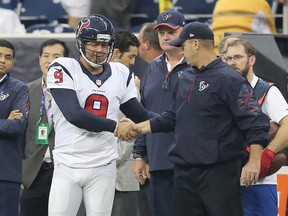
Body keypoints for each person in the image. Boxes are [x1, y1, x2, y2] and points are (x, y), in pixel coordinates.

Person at [119, 21, 271, 216]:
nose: (181, 50)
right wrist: (138, 128)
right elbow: (172, 116)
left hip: (218, 173)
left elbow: (256, 123)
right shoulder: (186, 77)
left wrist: (254, 161)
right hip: (184, 172)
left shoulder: (229, 78)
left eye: (183, 45)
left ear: (196, 44)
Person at [46, 14, 150, 216]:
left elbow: (138, 113)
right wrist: (116, 126)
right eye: (93, 44)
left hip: (104, 164)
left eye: (104, 45)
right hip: (68, 164)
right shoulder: (63, 67)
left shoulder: (121, 72)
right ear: (80, 42)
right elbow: (75, 115)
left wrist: (171, 121)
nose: (100, 50)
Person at [133, 9, 190, 216]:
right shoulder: (152, 68)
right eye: (161, 32)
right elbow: (143, 111)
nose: (165, 36)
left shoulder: (197, 66)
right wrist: (139, 154)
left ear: (183, 32)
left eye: (171, 32)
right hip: (157, 160)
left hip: (190, 161)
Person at [224, 39, 288, 216]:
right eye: (228, 58)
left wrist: (267, 154)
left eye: (237, 57)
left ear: (251, 60)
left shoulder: (266, 90)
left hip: (259, 183)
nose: (232, 63)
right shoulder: (222, 91)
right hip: (225, 181)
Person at [20, 39, 70, 216]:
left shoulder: (75, 92)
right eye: (46, 56)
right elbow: (19, 134)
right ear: (39, 59)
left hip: (66, 171)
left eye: (56, 56)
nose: (50, 61)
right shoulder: (26, 91)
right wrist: (21, 172)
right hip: (34, 173)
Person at [110, 29, 141, 216]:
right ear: (115, 53)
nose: (133, 62)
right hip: (94, 170)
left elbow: (135, 127)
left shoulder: (132, 84)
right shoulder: (88, 80)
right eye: (130, 56)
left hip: (124, 171)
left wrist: (113, 158)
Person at [0, 39, 29, 216]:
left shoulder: (19, 89)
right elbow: (9, 125)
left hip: (6, 171)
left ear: (13, 63)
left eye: (7, 57)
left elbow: (18, 126)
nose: (2, 60)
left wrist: (10, 123)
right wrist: (5, 120)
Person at [211, 0, 276, 52]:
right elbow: (271, 41)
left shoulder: (220, 3)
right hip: (241, 54)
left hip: (216, 53)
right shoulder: (261, 4)